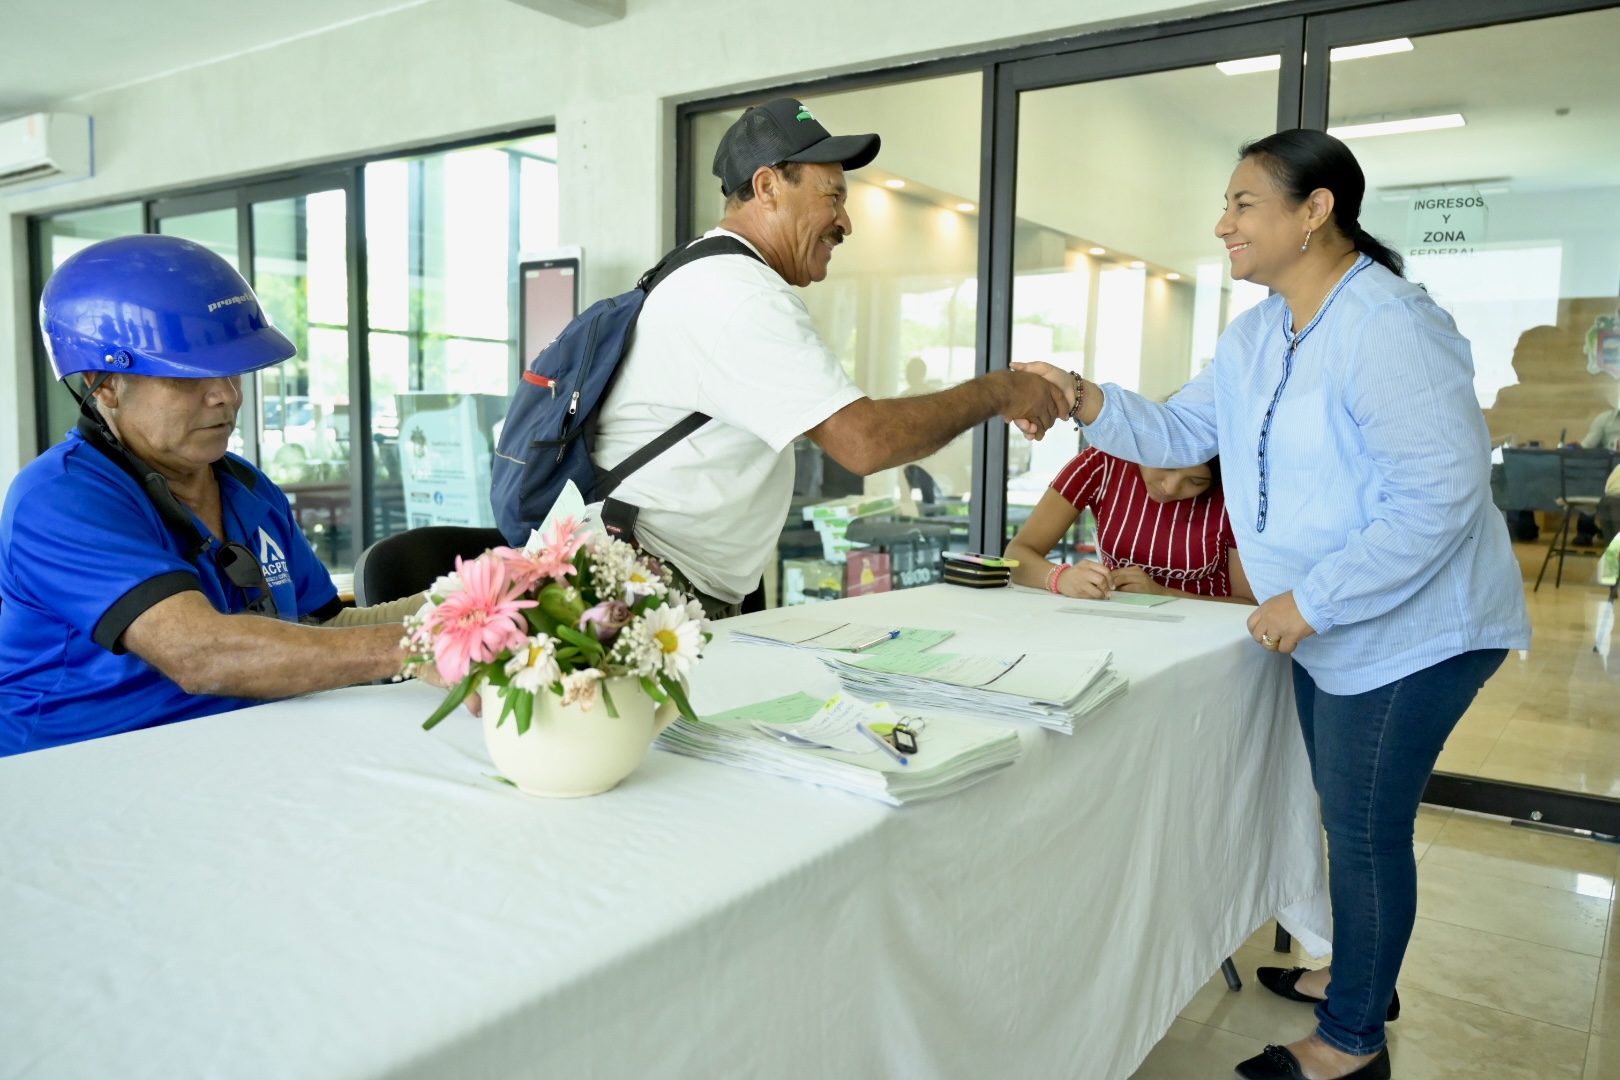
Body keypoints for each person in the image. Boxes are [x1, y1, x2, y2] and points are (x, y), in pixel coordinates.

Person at [1018, 130, 1529, 1080]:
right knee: (1345, 813)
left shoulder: (1390, 325)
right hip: (1329, 621)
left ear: (1316, 210)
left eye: (1243, 203)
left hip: (1417, 627)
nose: (1223, 223)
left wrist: (1311, 599)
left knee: (1366, 831)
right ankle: (1359, 980)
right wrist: (1083, 399)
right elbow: (1181, 429)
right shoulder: (1257, 335)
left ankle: (1350, 1042)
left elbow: (1439, 496)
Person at [590, 98, 1068, 619]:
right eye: (833, 197)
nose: (846, 222)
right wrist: (1002, 391)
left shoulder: (702, 272)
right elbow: (865, 441)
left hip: (662, 573)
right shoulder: (740, 296)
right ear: (768, 187)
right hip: (645, 588)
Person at [0, 235, 424, 756]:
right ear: (103, 384)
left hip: (236, 751)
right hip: (80, 768)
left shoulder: (246, 487)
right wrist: (417, 646)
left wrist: (469, 606)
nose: (226, 394)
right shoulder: (59, 499)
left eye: (230, 369)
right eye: (187, 376)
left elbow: (324, 627)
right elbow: (200, 654)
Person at [1004, 447, 1253, 603]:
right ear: (1146, 441)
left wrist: (1164, 594)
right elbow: (1017, 555)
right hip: (1117, 624)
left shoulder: (1235, 494)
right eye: (1165, 464)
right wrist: (1061, 577)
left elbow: (1250, 604)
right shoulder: (1103, 463)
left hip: (1207, 635)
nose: (1169, 487)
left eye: (1196, 482)